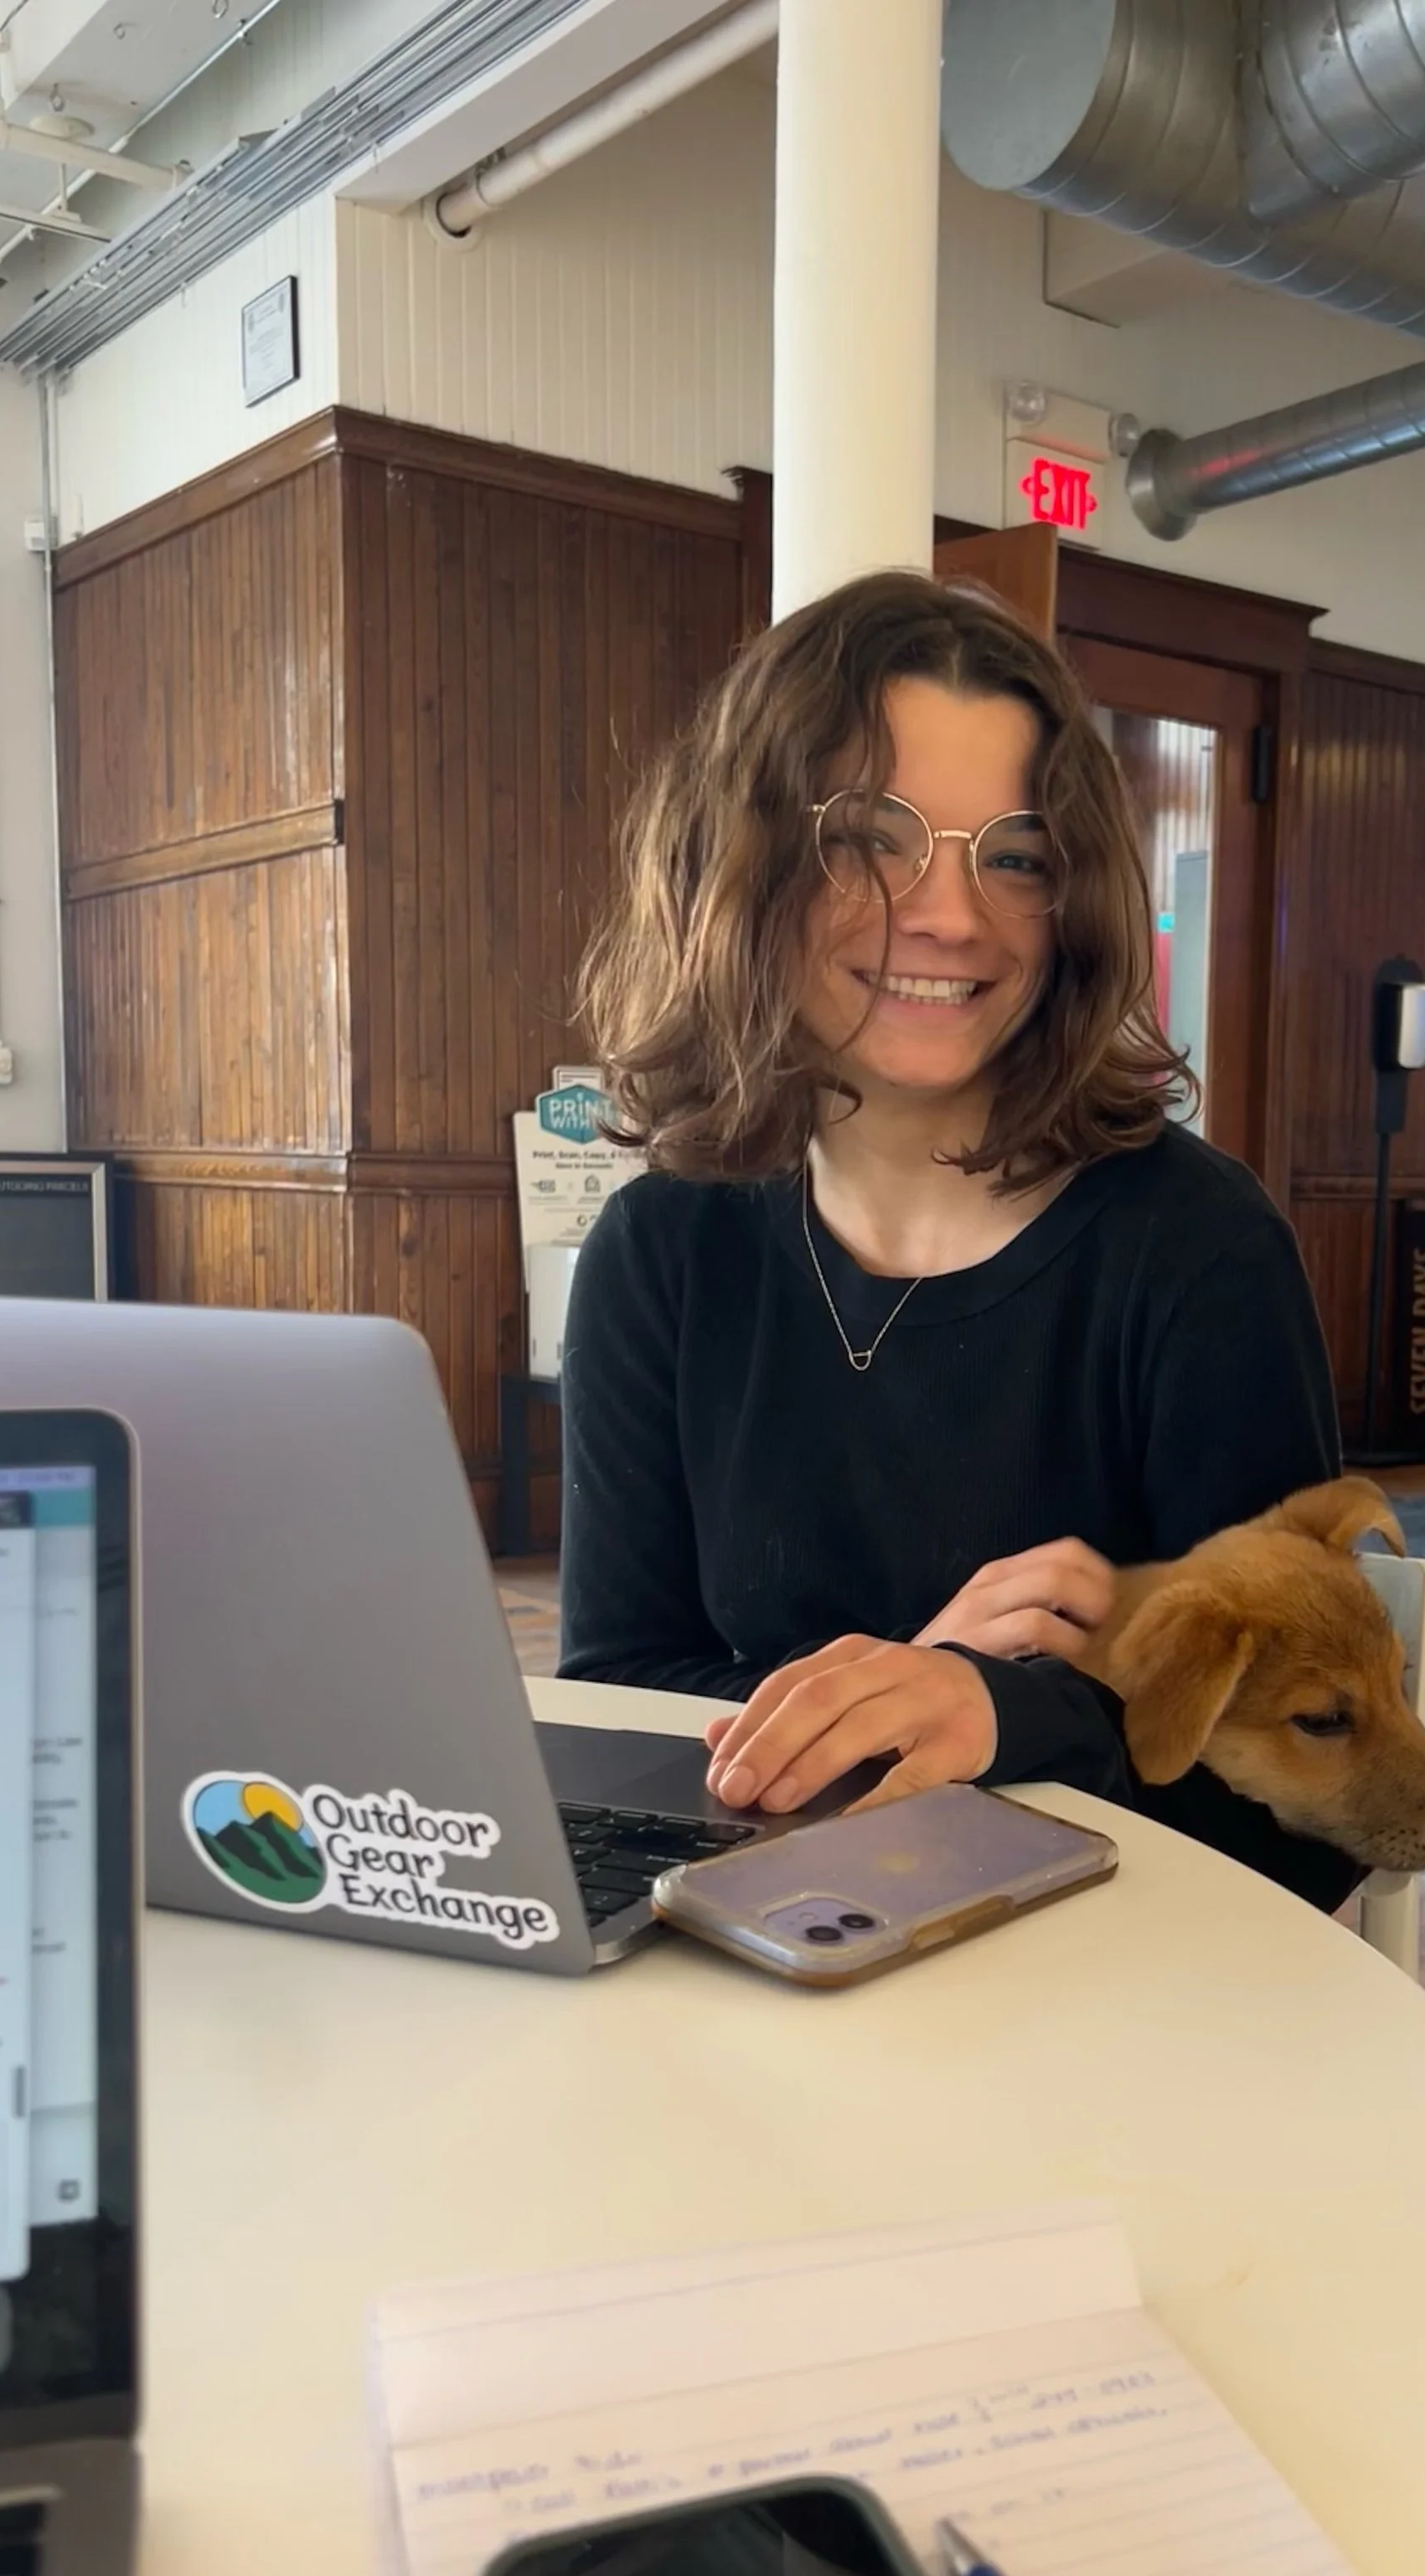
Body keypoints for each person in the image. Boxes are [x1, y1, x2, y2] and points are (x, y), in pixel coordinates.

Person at [558, 570, 1355, 1909]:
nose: (951, 915)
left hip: (1101, 2004)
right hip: (754, 1953)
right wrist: (906, 1677)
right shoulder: (661, 1253)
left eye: (1017, 856)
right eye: (871, 835)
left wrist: (999, 1711)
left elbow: (1311, 1817)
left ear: (1072, 901)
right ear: (743, 869)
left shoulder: (1197, 1257)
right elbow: (621, 1702)